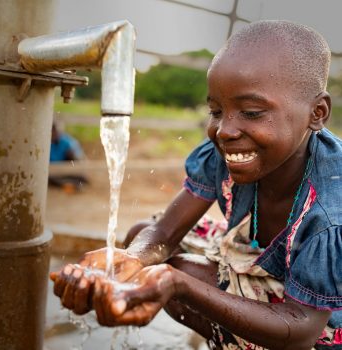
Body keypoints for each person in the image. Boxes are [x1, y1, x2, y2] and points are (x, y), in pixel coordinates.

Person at [50, 20, 342, 349]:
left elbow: (302, 330)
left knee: (172, 273)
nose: (225, 130)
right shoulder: (231, 147)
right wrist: (128, 260)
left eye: (251, 112)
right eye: (216, 111)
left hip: (316, 322)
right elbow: (163, 234)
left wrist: (177, 284)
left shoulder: (330, 212)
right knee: (141, 241)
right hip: (260, 262)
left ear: (317, 113)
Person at [49, 121, 89, 192]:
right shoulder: (48, 144)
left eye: (54, 132)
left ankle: (69, 183)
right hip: (53, 170)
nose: (54, 134)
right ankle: (67, 184)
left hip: (64, 168)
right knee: (51, 177)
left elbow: (78, 159)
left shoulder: (66, 142)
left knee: (80, 176)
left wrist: (71, 156)